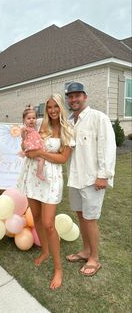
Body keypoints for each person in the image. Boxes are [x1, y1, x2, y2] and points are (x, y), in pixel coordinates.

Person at [17, 94, 74, 290]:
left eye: (55, 106)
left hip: (51, 179)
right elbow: (26, 144)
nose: (52, 110)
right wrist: (24, 143)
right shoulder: (40, 124)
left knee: (49, 224)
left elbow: (63, 159)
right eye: (49, 107)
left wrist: (40, 153)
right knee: (38, 218)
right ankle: (45, 252)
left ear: (61, 107)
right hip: (32, 175)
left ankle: (58, 269)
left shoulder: (67, 130)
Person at [65, 82, 116, 276]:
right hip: (75, 178)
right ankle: (85, 250)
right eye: (70, 96)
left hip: (92, 179)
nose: (74, 99)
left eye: (77, 95)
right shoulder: (69, 122)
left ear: (85, 96)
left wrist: (103, 175)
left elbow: (107, 147)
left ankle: (94, 258)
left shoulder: (98, 118)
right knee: (80, 216)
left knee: (90, 219)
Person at [19, 105, 45, 180]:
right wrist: (23, 132)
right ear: (24, 120)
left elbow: (43, 120)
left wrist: (31, 108)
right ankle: (39, 173)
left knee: (41, 158)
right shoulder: (26, 129)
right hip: (31, 149)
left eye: (33, 118)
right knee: (41, 159)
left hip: (35, 147)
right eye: (28, 118)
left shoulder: (35, 128)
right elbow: (23, 137)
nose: (31, 120)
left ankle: (38, 172)